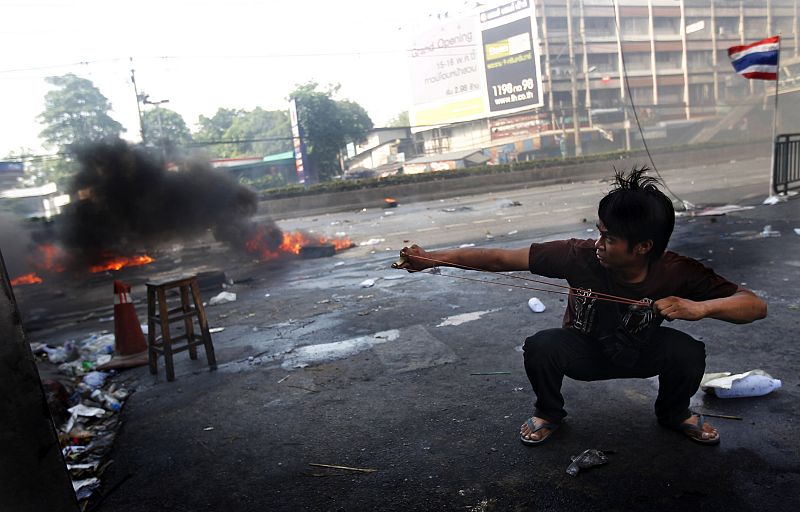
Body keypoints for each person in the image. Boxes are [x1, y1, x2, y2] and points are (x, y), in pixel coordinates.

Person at [398, 168, 767, 446]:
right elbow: (498, 257)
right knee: (541, 346)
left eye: (609, 238)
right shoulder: (579, 255)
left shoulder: (677, 270)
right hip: (584, 353)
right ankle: (548, 412)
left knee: (688, 351)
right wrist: (433, 258)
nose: (598, 243)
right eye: (599, 231)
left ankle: (674, 413)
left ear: (643, 247)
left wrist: (701, 309)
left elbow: (753, 305)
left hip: (640, 352)